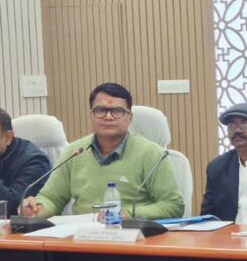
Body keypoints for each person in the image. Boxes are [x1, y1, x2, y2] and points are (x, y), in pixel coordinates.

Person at [19, 82, 184, 219]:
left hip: (134, 238)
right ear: (91, 114)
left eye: (117, 111)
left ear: (129, 117)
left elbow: (173, 205)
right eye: (101, 110)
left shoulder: (151, 153)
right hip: (82, 238)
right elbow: (51, 198)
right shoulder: (75, 152)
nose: (108, 117)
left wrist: (128, 214)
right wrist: (36, 209)